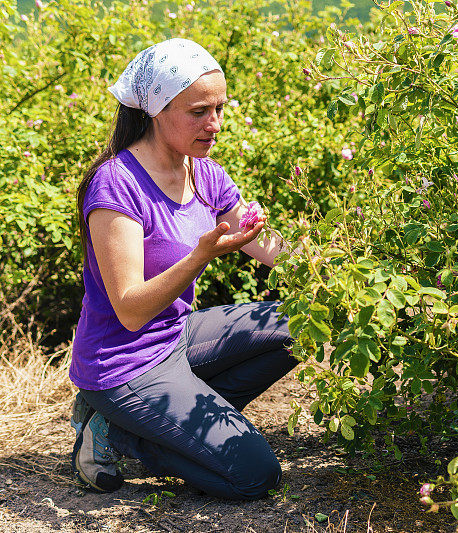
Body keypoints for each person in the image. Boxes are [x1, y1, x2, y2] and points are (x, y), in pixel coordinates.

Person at [68, 38, 300, 500]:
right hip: (124, 364)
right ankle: (120, 434)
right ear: (156, 110)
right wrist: (199, 257)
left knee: (301, 323)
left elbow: (269, 247)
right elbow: (131, 311)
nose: (214, 124)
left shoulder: (203, 171)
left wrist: (340, 271)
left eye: (219, 108)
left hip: (176, 336)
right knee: (257, 476)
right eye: (198, 111)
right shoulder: (117, 185)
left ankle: (160, 428)